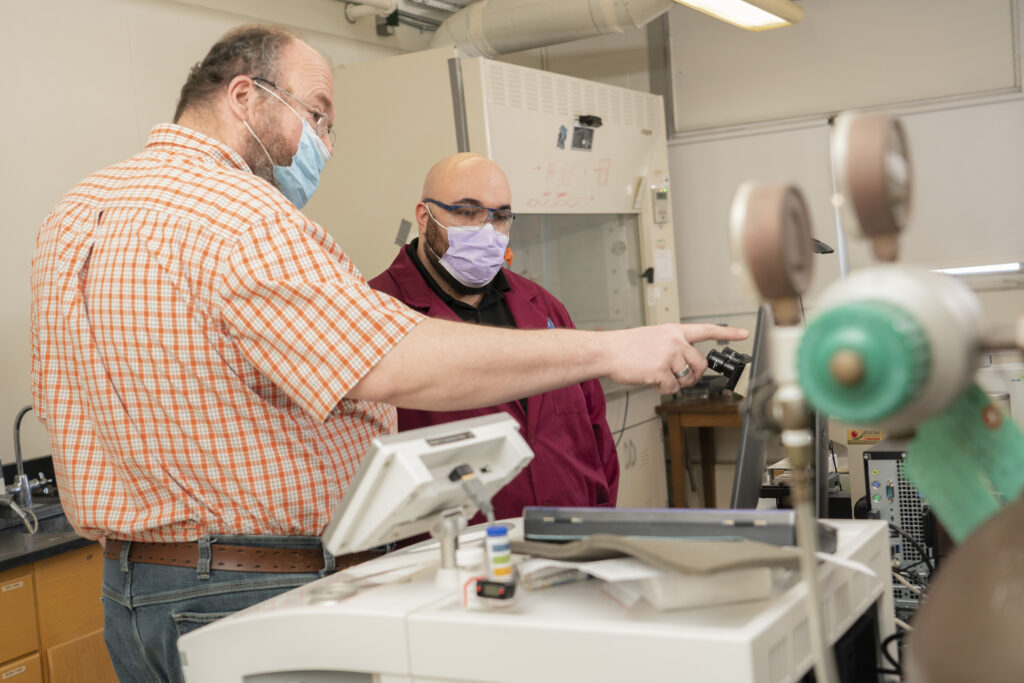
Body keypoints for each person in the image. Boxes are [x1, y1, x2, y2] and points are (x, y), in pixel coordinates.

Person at [29, 25, 746, 683]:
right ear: (243, 95)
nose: (325, 144)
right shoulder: (242, 217)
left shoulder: (73, 212)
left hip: (131, 595)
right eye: (316, 114)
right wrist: (616, 348)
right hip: (247, 590)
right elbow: (393, 356)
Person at [370, 153, 619, 518]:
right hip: (454, 558)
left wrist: (601, 528)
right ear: (424, 219)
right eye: (467, 213)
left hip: (572, 542)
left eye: (500, 217)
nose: (487, 231)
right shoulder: (379, 314)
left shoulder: (545, 309)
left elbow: (597, 438)